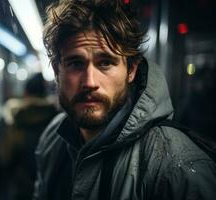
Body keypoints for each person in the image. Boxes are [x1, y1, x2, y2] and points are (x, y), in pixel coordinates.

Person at [33, 0, 216, 200]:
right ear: (56, 70)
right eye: (76, 63)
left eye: (105, 63)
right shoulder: (53, 138)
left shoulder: (176, 166)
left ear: (131, 70)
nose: (90, 82)